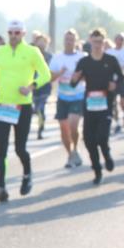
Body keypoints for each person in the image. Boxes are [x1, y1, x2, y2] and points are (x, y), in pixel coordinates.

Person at [0, 19, 51, 203]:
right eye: (10, 33)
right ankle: (1, 187)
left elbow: (46, 74)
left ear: (23, 34)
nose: (13, 36)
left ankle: (27, 175)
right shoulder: (0, 51)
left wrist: (31, 87)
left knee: (20, 148)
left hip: (22, 105)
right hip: (3, 105)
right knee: (1, 149)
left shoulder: (32, 51)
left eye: (17, 33)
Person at [72, 28, 124, 184]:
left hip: (106, 104)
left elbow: (121, 77)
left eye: (100, 42)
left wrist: (114, 84)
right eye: (95, 42)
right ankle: (97, 169)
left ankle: (106, 155)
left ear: (104, 42)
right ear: (90, 42)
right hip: (89, 106)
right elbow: (73, 83)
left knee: (102, 137)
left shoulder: (111, 60)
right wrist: (74, 78)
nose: (97, 45)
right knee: (89, 140)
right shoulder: (84, 62)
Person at [48, 29, 86, 168]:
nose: (69, 42)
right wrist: (60, 73)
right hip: (62, 97)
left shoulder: (82, 57)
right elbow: (50, 78)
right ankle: (70, 154)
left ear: (76, 41)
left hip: (77, 96)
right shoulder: (57, 58)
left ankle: (75, 148)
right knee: (64, 129)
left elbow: (88, 76)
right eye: (66, 39)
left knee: (73, 125)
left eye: (71, 39)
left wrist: (78, 77)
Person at [30, 32, 53, 139]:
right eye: (39, 42)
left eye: (44, 42)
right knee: (36, 108)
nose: (41, 44)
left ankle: (40, 129)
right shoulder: (32, 54)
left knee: (41, 108)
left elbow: (52, 71)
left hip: (45, 86)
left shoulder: (49, 56)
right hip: (33, 85)